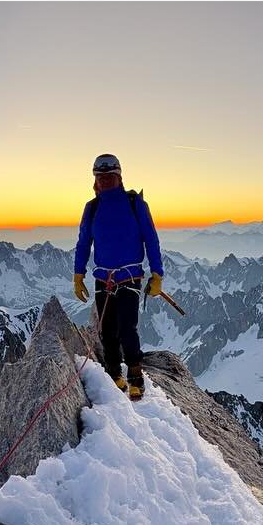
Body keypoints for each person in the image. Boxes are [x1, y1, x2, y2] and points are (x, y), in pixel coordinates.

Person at [73, 153, 164, 400]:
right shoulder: (92, 209)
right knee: (107, 331)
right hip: (104, 278)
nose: (104, 181)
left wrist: (158, 273)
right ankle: (114, 373)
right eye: (100, 177)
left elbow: (151, 239)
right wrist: (78, 273)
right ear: (95, 180)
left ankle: (135, 375)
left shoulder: (135, 204)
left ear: (119, 177)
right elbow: (84, 243)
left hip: (129, 277)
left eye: (109, 177)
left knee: (127, 329)